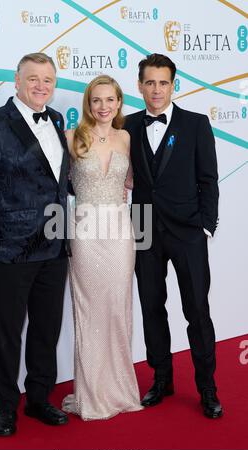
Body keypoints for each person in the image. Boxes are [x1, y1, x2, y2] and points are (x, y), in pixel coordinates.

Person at [0, 52, 70, 436]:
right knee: (7, 332)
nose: (41, 86)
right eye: (33, 79)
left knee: (47, 327)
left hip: (56, 245)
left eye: (48, 80)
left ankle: (39, 398)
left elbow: (58, 179)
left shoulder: (57, 120)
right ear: (17, 80)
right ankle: (7, 407)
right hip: (12, 248)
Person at [124, 53, 223, 418]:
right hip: (145, 230)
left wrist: (205, 226)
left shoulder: (196, 124)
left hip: (187, 232)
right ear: (139, 86)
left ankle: (207, 388)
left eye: (163, 82)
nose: (156, 89)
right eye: (149, 82)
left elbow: (208, 179)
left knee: (197, 311)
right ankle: (161, 379)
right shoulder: (126, 126)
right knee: (152, 308)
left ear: (173, 85)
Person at [62, 75, 143, 420]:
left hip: (120, 229)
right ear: (88, 104)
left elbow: (133, 181)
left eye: (110, 100)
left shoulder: (126, 137)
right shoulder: (70, 137)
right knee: (89, 309)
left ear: (120, 103)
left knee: (118, 308)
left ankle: (121, 389)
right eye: (97, 100)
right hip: (85, 229)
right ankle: (91, 393)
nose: (103, 107)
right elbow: (56, 184)